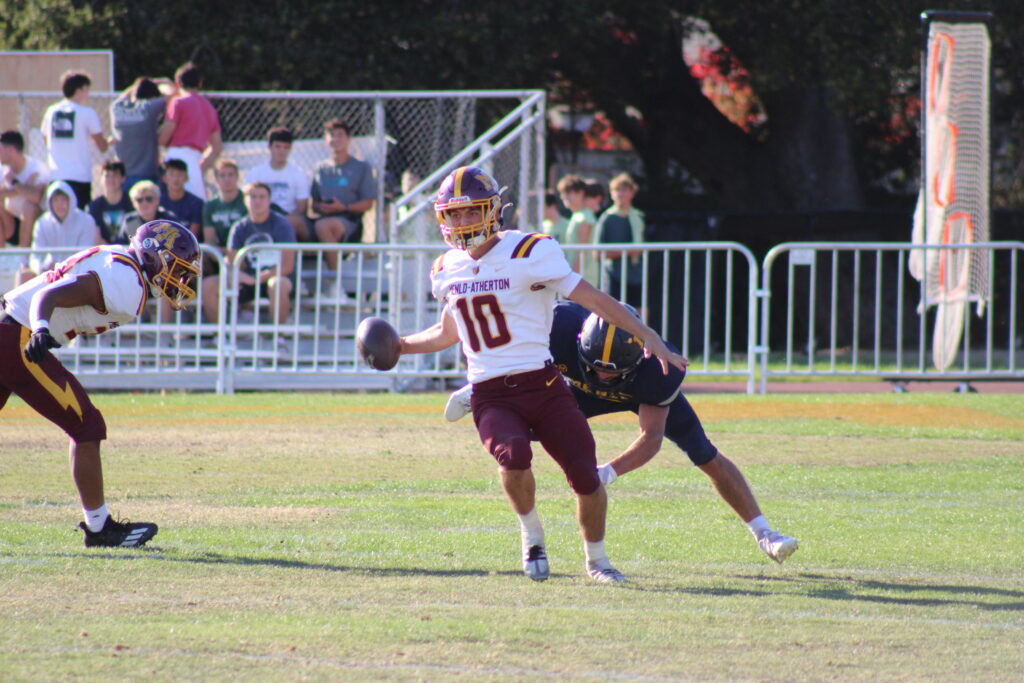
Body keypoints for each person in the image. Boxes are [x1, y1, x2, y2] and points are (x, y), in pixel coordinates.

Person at [397, 166, 687, 584]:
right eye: (453, 215)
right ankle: (532, 536)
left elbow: (594, 299)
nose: (461, 223)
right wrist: (402, 345)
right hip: (490, 391)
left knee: (585, 476)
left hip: (544, 383)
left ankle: (597, 561)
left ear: (493, 211)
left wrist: (647, 336)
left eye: (471, 212)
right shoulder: (446, 268)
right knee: (513, 456)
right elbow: (448, 332)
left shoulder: (529, 251)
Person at [444, 301, 800, 565]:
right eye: (596, 367)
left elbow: (651, 437)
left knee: (704, 453)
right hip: (572, 390)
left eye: (611, 372)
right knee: (523, 426)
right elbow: (512, 339)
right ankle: (476, 394)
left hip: (638, 394)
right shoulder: (560, 325)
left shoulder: (657, 368)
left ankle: (764, 532)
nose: (602, 376)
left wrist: (607, 472)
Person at [0, 219, 200, 548]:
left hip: (9, 328)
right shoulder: (127, 280)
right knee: (87, 426)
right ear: (155, 257)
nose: (179, 279)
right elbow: (49, 295)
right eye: (177, 269)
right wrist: (40, 329)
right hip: (16, 336)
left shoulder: (123, 264)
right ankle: (99, 527)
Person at [202, 181, 296, 325]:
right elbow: (232, 261)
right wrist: (239, 275)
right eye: (253, 197)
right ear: (245, 201)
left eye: (262, 197)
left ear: (269, 200)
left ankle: (279, 338)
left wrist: (258, 278)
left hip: (274, 277)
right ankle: (218, 337)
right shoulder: (239, 227)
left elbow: (287, 266)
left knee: (277, 284)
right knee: (209, 284)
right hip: (247, 280)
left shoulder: (281, 225)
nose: (257, 201)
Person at [310, 118, 375, 273]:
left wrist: (343, 207)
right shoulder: (321, 169)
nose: (335, 139)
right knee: (294, 224)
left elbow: (368, 203)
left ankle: (334, 280)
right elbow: (313, 205)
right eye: (332, 135)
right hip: (323, 218)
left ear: (348, 139)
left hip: (349, 222)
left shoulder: (361, 167)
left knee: (322, 226)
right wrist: (321, 207)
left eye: (340, 135)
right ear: (326, 140)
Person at [40, 70, 109, 209]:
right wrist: (108, 142)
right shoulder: (87, 113)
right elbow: (102, 146)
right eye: (86, 90)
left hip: (56, 176)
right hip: (80, 177)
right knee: (79, 219)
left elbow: (45, 139)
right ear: (79, 90)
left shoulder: (51, 111)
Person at [158, 62, 222, 200]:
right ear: (200, 84)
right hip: (195, 159)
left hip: (175, 158)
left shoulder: (178, 102)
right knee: (196, 204)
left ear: (178, 83)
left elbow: (164, 137)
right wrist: (200, 167)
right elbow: (216, 148)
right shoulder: (209, 108)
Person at [19, 181, 102, 284]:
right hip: (48, 275)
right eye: (56, 200)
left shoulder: (86, 221)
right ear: (50, 202)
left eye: (63, 200)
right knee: (23, 276)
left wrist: (63, 269)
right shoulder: (41, 223)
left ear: (70, 200)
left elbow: (85, 256)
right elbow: (36, 256)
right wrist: (43, 268)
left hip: (78, 276)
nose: (60, 204)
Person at [245, 127, 311, 241]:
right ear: (269, 147)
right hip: (260, 217)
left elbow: (301, 209)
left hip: (288, 219)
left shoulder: (298, 174)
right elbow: (247, 201)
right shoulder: (255, 173)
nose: (281, 151)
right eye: (277, 146)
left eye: (285, 147)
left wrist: (280, 221)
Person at [594, 173, 645, 309]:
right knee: (614, 313)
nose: (620, 194)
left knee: (639, 312)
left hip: (635, 275)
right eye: (617, 190)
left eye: (624, 190)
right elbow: (597, 254)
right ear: (611, 194)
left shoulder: (638, 217)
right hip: (613, 277)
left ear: (632, 193)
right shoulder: (606, 219)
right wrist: (625, 252)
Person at [109, 76, 168, 191]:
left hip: (122, 176)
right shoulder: (149, 108)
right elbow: (172, 95)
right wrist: (162, 81)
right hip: (147, 174)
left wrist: (135, 86)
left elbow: (124, 95)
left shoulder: (116, 108)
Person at [0, 130, 49, 248]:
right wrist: (24, 188)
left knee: (29, 207)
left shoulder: (37, 168)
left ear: (11, 150)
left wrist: (14, 182)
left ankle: (23, 258)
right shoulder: (3, 170)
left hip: (34, 223)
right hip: (10, 224)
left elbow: (36, 197)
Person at [556, 174, 598, 285]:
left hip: (584, 278)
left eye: (568, 193)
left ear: (581, 193)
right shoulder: (577, 216)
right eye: (562, 193)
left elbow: (582, 249)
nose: (563, 197)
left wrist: (574, 276)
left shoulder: (584, 217)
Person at [201, 158, 247, 255]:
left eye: (230, 175)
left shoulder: (247, 201)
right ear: (216, 179)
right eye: (222, 175)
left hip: (243, 253)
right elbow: (210, 241)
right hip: (219, 254)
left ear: (237, 177)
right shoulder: (210, 206)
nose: (227, 179)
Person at [87, 160, 133, 244]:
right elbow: (97, 237)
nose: (111, 180)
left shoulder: (131, 202)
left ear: (123, 179)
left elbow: (133, 236)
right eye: (107, 176)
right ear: (101, 178)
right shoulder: (94, 206)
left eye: (115, 176)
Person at [159, 159, 204, 238]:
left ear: (186, 178)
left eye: (180, 175)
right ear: (165, 178)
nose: (176, 179)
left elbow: (192, 235)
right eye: (172, 174)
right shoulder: (157, 202)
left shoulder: (197, 203)